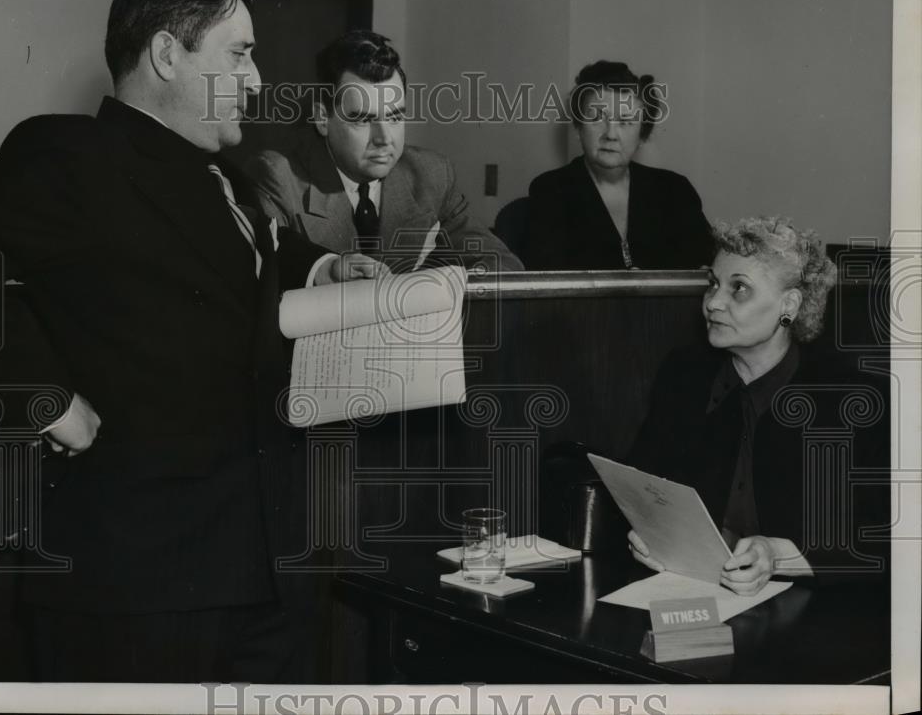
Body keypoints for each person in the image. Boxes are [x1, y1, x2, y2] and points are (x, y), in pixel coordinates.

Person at [0, 0, 383, 683]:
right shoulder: (67, 156)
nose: (256, 79)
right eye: (239, 54)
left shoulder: (233, 179)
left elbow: (248, 262)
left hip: (271, 570)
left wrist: (322, 269)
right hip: (135, 592)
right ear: (165, 53)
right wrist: (36, 393)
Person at [626, 216, 889, 595]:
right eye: (713, 284)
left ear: (790, 305)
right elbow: (643, 480)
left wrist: (780, 556)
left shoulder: (855, 400)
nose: (713, 303)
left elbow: (883, 540)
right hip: (691, 592)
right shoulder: (685, 374)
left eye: (740, 289)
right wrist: (649, 532)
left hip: (814, 614)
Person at [252, 30, 524, 273]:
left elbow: (502, 263)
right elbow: (264, 284)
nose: (383, 139)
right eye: (362, 120)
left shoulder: (431, 173)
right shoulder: (278, 177)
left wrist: (449, 285)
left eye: (394, 118)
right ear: (323, 119)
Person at [519, 60, 713, 270]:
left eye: (625, 122)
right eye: (597, 118)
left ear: (642, 135)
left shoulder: (675, 190)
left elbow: (705, 265)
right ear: (578, 127)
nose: (610, 134)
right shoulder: (551, 189)